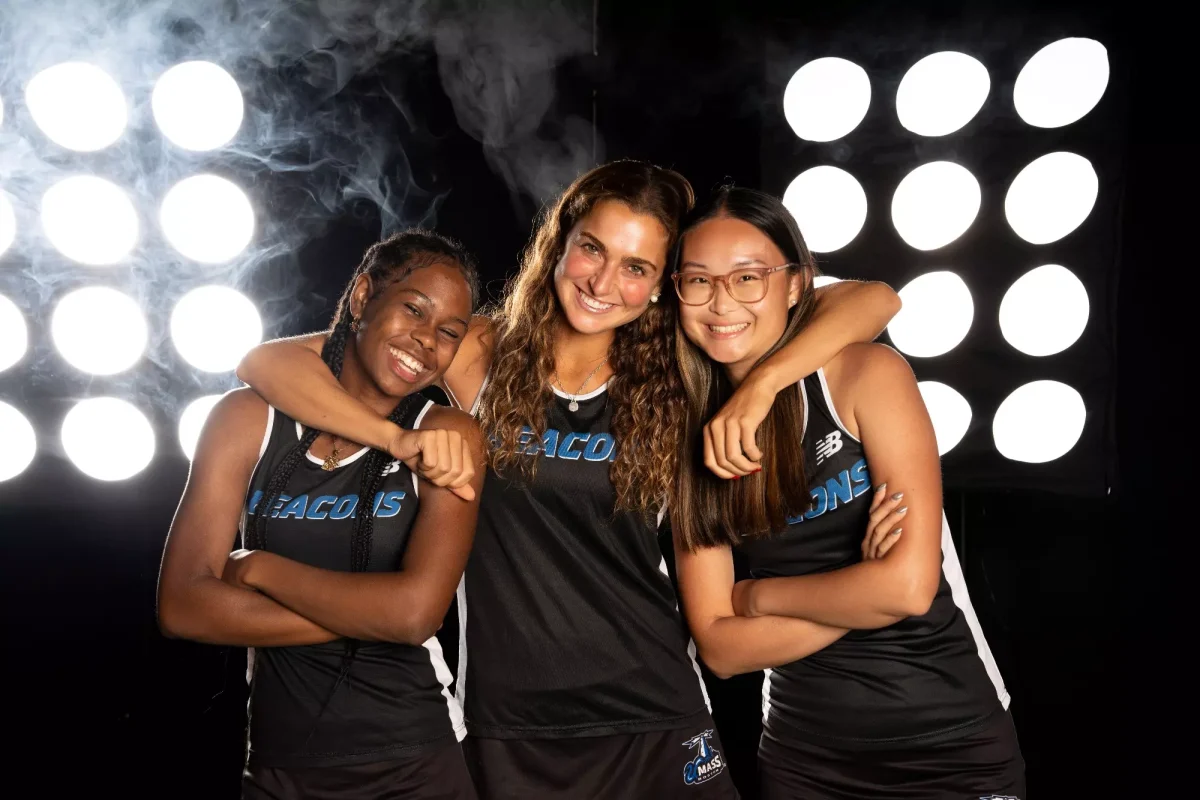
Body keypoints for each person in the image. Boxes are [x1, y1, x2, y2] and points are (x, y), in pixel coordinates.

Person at [235, 160, 901, 799]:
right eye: (593, 249)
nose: (605, 281)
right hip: (509, 729)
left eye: (637, 267)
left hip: (657, 717)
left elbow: (874, 299)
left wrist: (762, 387)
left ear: (663, 282)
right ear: (559, 243)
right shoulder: (476, 355)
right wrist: (398, 440)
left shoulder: (680, 378)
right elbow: (266, 362)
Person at [670, 186, 1025, 800]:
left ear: (796, 285)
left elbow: (910, 590)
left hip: (949, 743)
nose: (722, 300)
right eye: (698, 281)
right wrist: (863, 585)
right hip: (803, 758)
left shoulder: (865, 376)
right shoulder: (687, 435)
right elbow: (722, 650)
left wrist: (756, 596)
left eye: (748, 277)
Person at [157, 231, 487, 800]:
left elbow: (414, 618)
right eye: (413, 309)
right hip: (279, 765)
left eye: (449, 333)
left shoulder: (447, 435)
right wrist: (372, 609)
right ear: (362, 298)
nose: (426, 340)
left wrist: (260, 569)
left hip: (415, 761)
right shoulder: (247, 419)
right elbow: (183, 605)